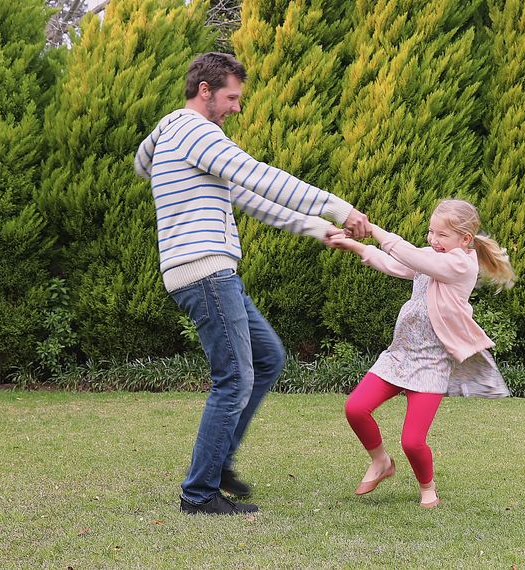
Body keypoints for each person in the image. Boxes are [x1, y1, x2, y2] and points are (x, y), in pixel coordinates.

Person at [133, 52, 370, 515]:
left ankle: (217, 465)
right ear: (205, 91)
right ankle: (199, 494)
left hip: (210, 270)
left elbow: (246, 195)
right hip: (205, 269)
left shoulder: (176, 136)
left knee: (267, 357)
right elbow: (263, 177)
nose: (237, 108)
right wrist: (337, 207)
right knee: (235, 378)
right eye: (231, 97)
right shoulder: (195, 131)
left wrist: (317, 228)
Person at [325, 199, 516, 508]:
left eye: (442, 235)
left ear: (465, 239)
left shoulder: (460, 264)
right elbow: (396, 263)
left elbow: (409, 256)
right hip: (399, 355)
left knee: (412, 441)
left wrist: (371, 229)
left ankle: (428, 488)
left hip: (431, 364)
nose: (433, 240)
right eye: (431, 232)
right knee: (355, 408)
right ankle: (381, 462)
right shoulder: (431, 255)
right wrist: (354, 247)